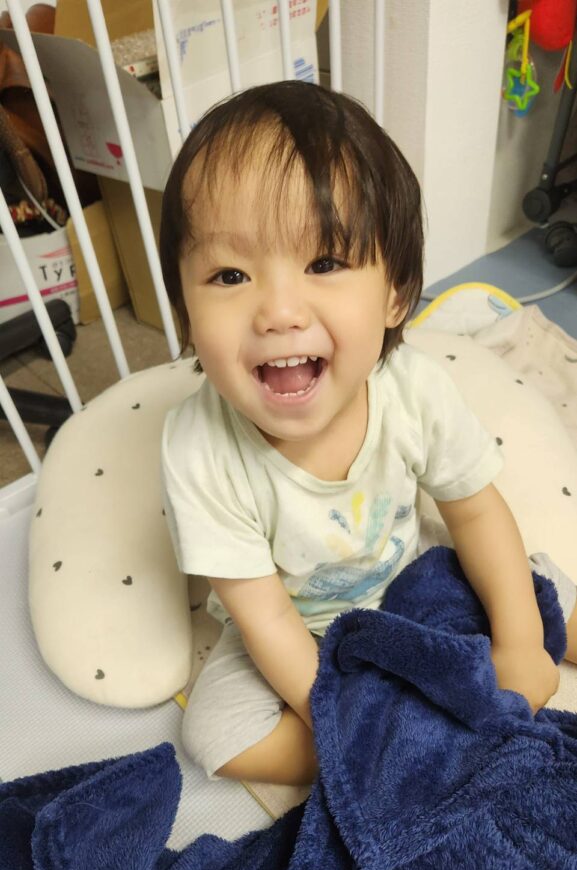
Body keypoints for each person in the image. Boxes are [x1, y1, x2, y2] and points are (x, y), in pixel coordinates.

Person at [159, 80, 577, 791]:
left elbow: (476, 512)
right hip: (300, 631)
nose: (279, 312)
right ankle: (413, 740)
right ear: (186, 312)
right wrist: (351, 729)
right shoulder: (197, 449)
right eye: (230, 275)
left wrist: (518, 644)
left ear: (395, 294)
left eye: (323, 264)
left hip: (414, 575)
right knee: (215, 736)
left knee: (538, 587)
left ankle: (471, 682)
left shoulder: (412, 391)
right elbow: (266, 618)